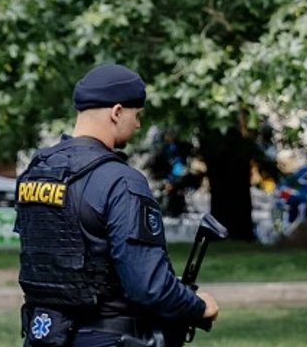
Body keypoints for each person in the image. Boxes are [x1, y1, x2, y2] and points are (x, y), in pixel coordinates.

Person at [15, 64, 219, 347]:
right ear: (117, 112)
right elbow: (148, 285)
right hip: (109, 337)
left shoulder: (36, 172)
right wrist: (198, 306)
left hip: (43, 335)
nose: (138, 125)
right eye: (137, 115)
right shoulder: (120, 181)